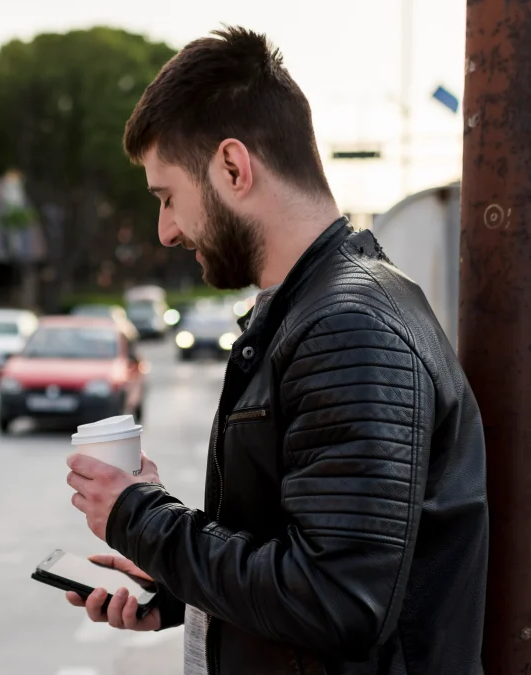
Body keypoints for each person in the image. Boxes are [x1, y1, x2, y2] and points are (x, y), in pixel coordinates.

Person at [64, 27, 487, 675]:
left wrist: (139, 515)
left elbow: (339, 600)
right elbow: (302, 553)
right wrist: (178, 586)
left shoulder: (348, 326)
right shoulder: (314, 310)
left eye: (168, 196)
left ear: (234, 167)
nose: (166, 229)